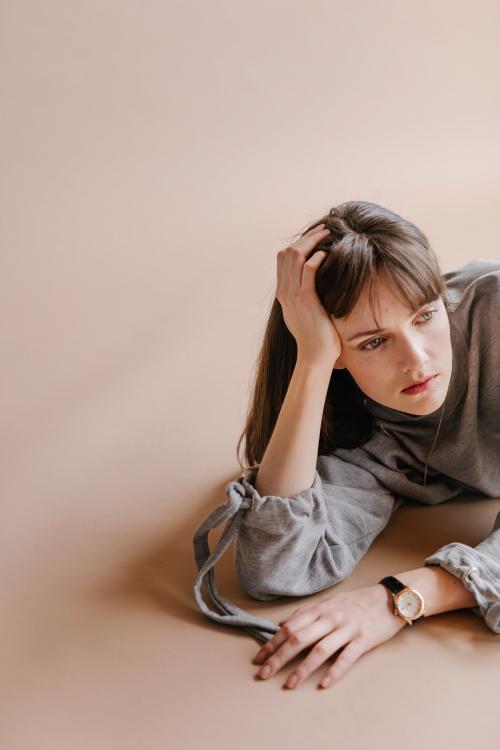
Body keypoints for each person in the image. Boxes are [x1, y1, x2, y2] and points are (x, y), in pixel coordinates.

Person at [192, 200, 500, 691]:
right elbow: (277, 569)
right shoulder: (366, 439)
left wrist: (402, 596)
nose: (417, 362)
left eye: (425, 315)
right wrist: (312, 361)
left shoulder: (494, 312)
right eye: (373, 342)